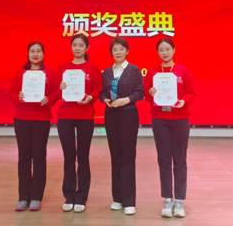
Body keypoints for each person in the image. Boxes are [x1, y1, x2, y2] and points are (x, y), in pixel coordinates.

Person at [145, 37, 195, 218]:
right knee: (164, 159)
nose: (164, 53)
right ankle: (167, 199)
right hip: (160, 119)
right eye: (161, 50)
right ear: (157, 52)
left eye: (167, 49)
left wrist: (183, 101)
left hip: (180, 119)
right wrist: (151, 93)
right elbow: (147, 96)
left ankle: (179, 200)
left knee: (180, 159)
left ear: (174, 50)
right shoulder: (153, 72)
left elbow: (191, 92)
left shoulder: (183, 70)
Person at [9, 41, 58, 212]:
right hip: (22, 118)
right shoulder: (20, 73)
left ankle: (36, 196)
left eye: (38, 51)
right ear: (28, 54)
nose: (35, 54)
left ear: (43, 54)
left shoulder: (49, 73)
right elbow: (11, 93)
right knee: (24, 158)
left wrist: (49, 99)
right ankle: (23, 197)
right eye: (32, 51)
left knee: (39, 157)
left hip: (41, 119)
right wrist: (18, 97)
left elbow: (57, 92)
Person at [99, 37, 144, 215]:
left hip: (128, 115)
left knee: (127, 156)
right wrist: (105, 99)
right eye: (115, 49)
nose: (118, 52)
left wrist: (125, 100)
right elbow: (102, 92)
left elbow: (140, 92)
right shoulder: (107, 72)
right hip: (111, 115)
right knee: (115, 156)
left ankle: (129, 200)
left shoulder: (134, 70)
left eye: (121, 49)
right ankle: (117, 198)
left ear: (127, 51)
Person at [57, 34, 101, 213]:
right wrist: (60, 88)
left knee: (83, 157)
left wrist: (91, 97)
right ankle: (69, 195)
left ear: (87, 48)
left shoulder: (92, 68)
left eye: (81, 45)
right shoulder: (63, 67)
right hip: (65, 115)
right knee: (69, 156)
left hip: (85, 115)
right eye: (74, 45)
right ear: (71, 47)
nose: (77, 48)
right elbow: (55, 91)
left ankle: (82, 196)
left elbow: (98, 89)